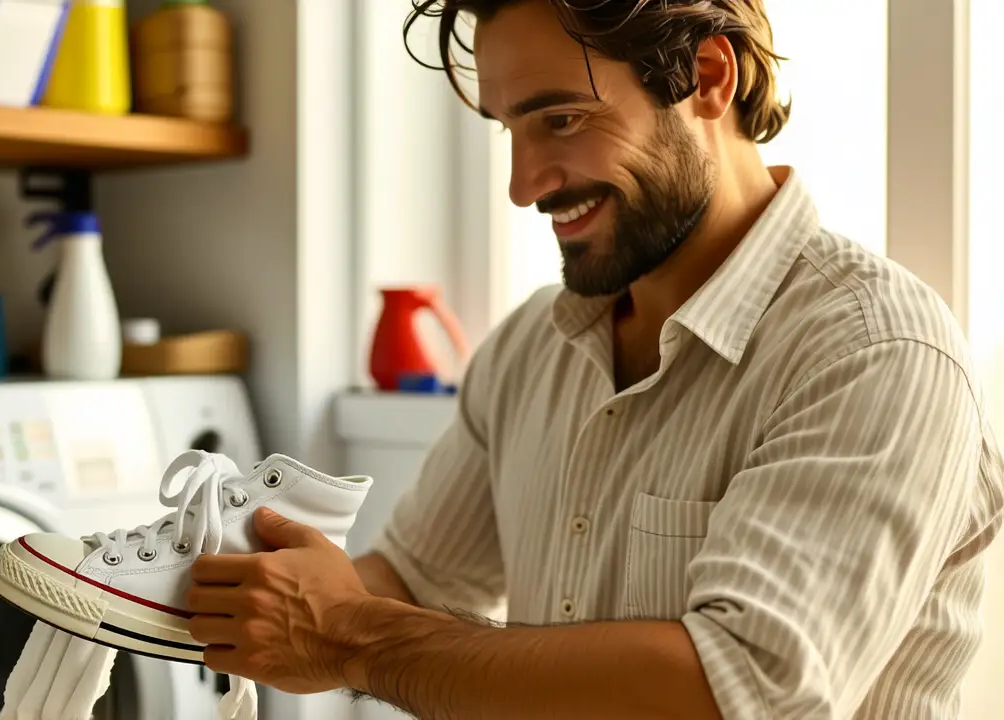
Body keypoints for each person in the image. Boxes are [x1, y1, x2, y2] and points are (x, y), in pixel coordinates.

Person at [184, 1, 1004, 717]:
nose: (522, 183)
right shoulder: (530, 348)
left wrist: (352, 636)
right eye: (510, 128)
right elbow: (412, 579)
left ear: (707, 79)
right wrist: (198, 596)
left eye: (562, 119)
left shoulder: (876, 352)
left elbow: (738, 693)